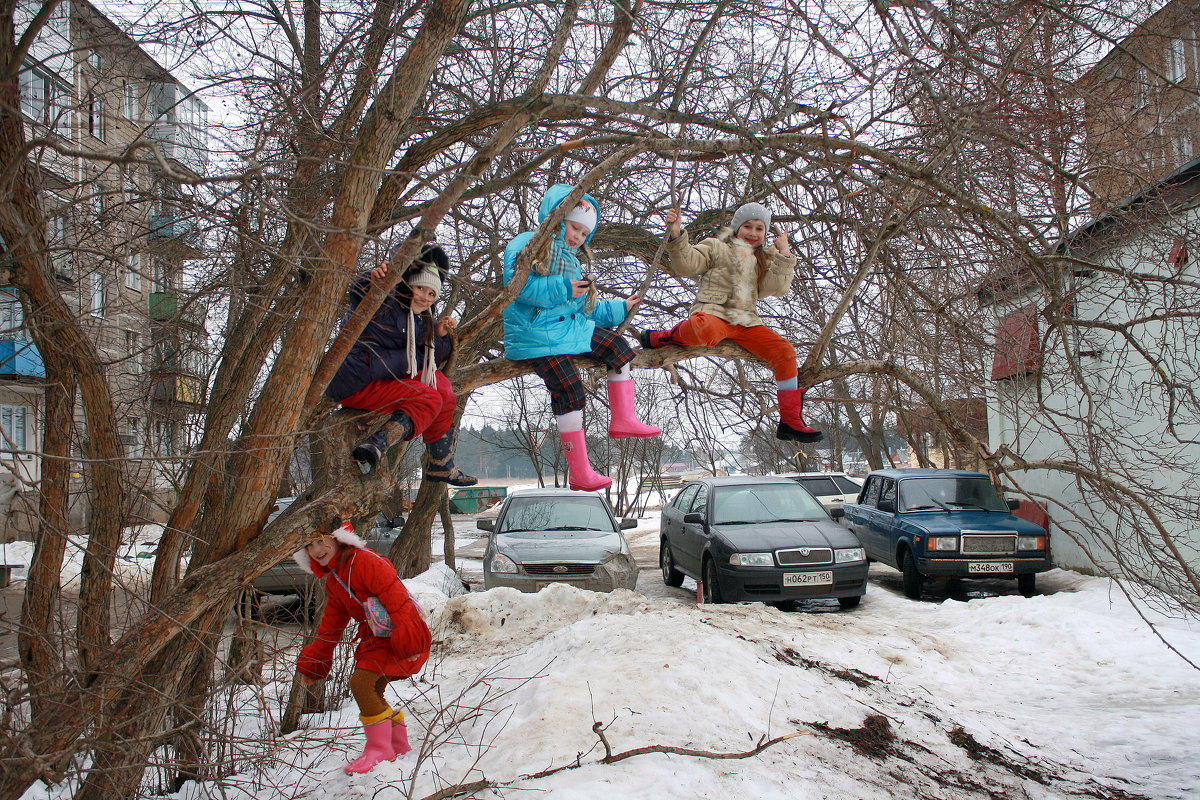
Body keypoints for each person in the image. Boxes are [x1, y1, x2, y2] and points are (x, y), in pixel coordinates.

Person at [502, 183, 660, 492]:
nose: (577, 237)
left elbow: (584, 308)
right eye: (574, 227)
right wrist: (562, 289)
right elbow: (516, 288)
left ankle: (624, 419)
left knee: (617, 346)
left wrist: (620, 308)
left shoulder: (573, 262)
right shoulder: (528, 244)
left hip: (568, 330)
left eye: (584, 234)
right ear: (557, 218)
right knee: (570, 388)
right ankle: (580, 471)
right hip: (536, 334)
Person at [639, 203, 822, 443]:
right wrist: (676, 233)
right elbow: (686, 265)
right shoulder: (716, 247)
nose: (753, 233)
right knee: (702, 330)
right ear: (737, 228)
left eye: (759, 228)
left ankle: (790, 421)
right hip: (713, 313)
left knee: (785, 351)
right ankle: (662, 337)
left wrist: (785, 254)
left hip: (746, 321)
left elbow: (776, 288)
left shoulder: (765, 259)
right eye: (748, 226)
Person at [325, 243, 477, 485]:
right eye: (420, 288)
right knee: (429, 397)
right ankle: (377, 444)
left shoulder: (419, 320)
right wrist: (374, 279)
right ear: (406, 284)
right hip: (357, 380)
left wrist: (439, 335)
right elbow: (359, 294)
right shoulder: (387, 303)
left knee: (443, 389)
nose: (425, 298)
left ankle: (440, 462)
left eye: (432, 294)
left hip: (386, 377)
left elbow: (425, 359)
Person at [295, 522, 432, 775]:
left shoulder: (366, 562)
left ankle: (380, 749)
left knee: (361, 684)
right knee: (374, 687)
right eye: (309, 545)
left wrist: (410, 641)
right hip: (375, 637)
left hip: (397, 634)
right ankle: (397, 744)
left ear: (338, 538)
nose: (316, 549)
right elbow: (330, 627)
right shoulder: (335, 580)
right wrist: (315, 664)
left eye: (321, 540)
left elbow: (397, 599)